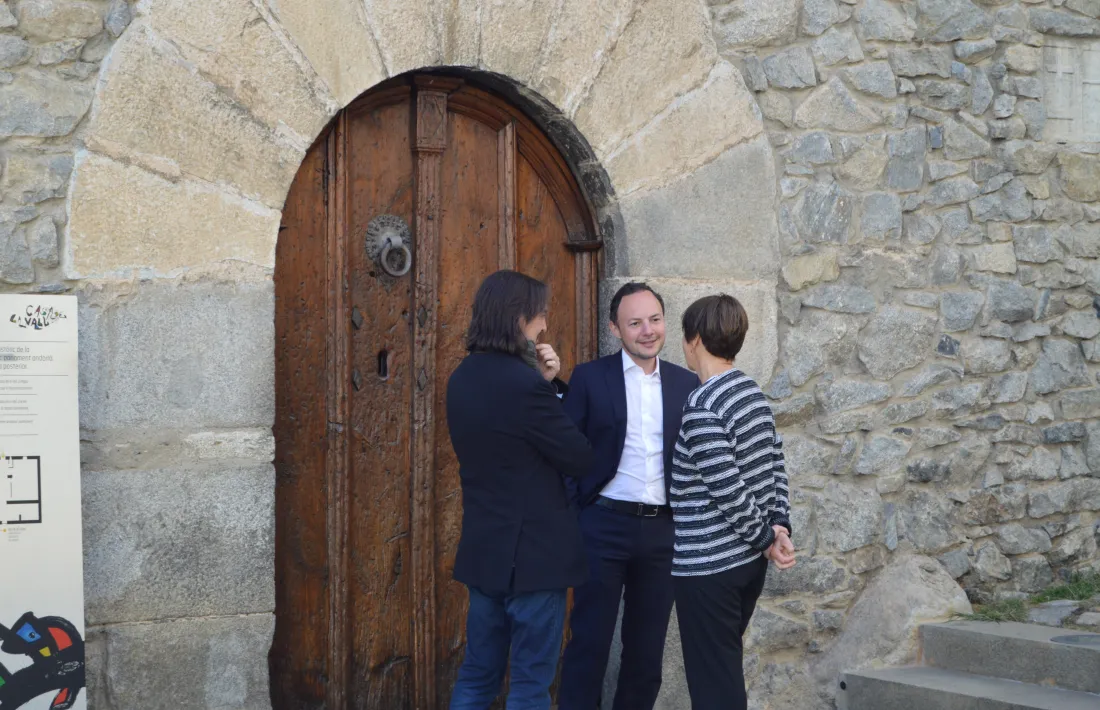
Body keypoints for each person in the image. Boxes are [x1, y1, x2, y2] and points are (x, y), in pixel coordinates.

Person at [446, 270, 593, 710]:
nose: (543, 325)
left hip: (485, 552)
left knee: (477, 675)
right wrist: (549, 389)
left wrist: (542, 385)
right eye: (540, 315)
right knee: (530, 685)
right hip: (534, 559)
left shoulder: (462, 378)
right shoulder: (524, 386)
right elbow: (579, 458)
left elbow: (509, 444)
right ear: (518, 317)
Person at [558, 282, 699, 710]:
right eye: (634, 322)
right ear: (615, 329)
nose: (647, 330)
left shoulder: (686, 383)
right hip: (602, 526)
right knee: (589, 645)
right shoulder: (588, 377)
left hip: (662, 534)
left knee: (646, 654)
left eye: (654, 319)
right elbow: (566, 452)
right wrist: (574, 516)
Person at [670, 294, 795, 710]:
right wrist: (779, 526)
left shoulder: (703, 404)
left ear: (696, 340)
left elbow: (726, 487)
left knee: (714, 687)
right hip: (746, 567)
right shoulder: (750, 392)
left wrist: (765, 536)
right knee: (722, 674)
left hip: (710, 568)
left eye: (684, 336)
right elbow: (775, 462)